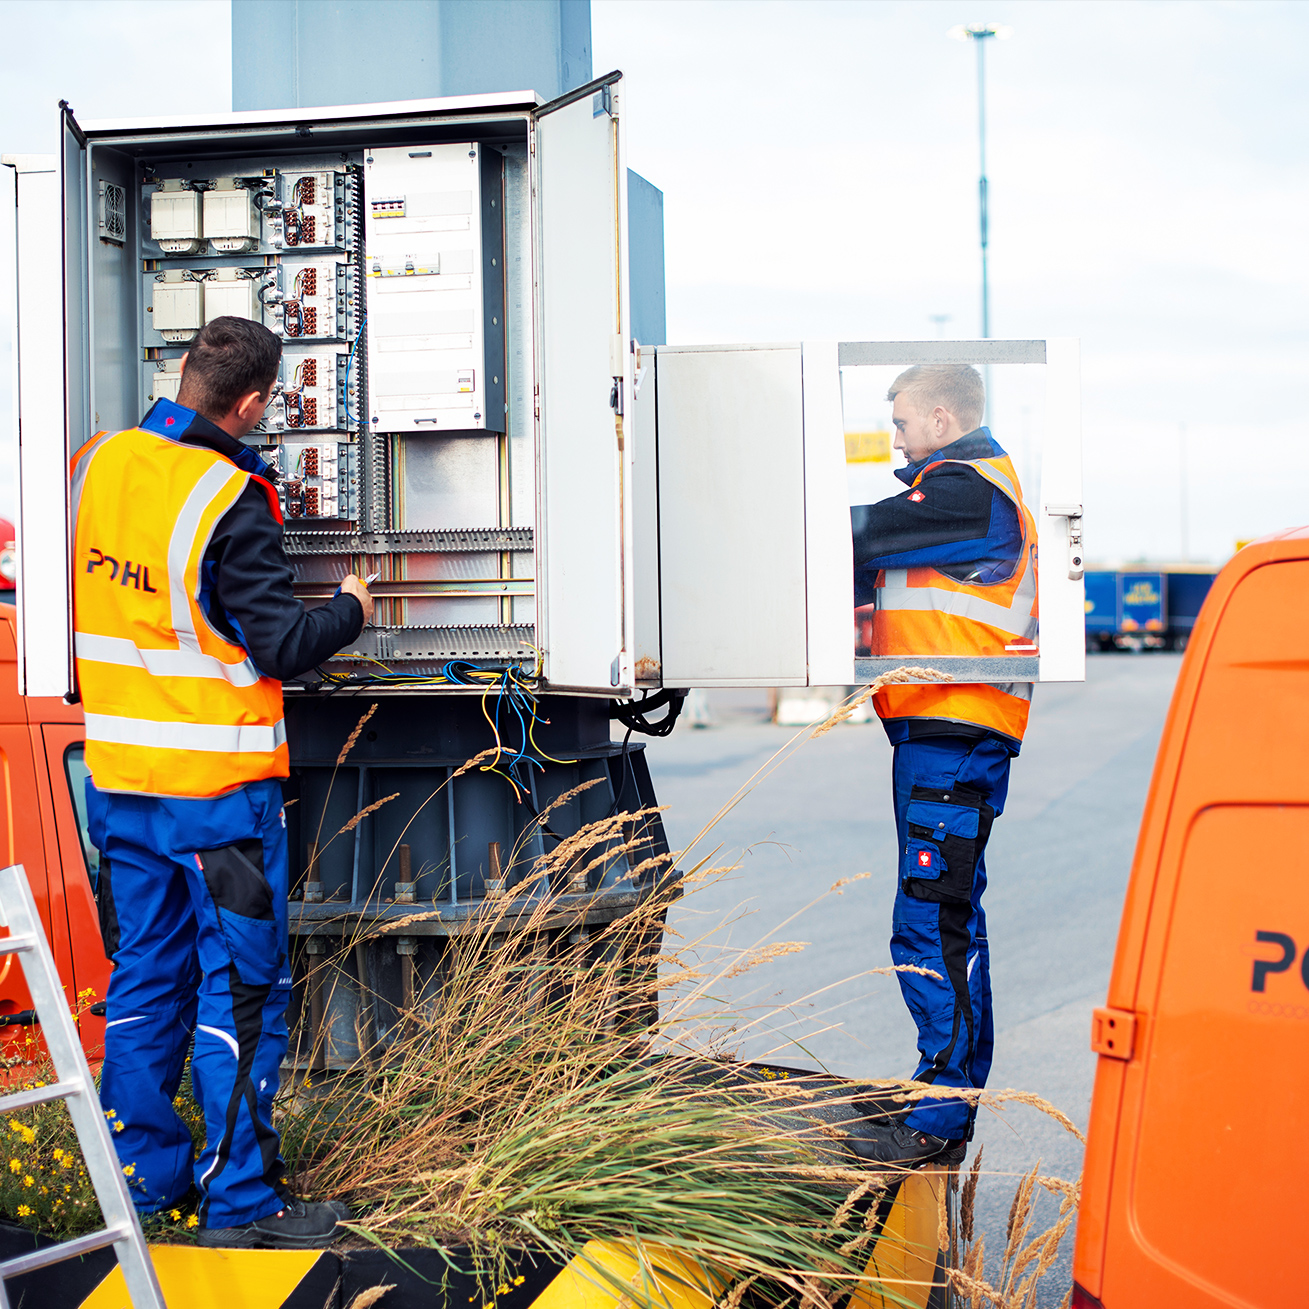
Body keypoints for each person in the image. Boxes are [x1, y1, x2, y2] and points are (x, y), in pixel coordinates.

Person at [71, 316, 373, 1247]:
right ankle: (240, 1202)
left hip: (122, 782)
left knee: (144, 980)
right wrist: (350, 609)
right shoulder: (230, 496)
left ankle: (143, 1187)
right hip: (217, 797)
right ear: (252, 402)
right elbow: (280, 645)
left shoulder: (100, 464)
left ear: (183, 374)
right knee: (240, 990)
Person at [848, 364, 1037, 1166]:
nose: (894, 438)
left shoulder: (966, 491)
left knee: (930, 920)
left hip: (955, 734)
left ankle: (938, 1114)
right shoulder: (957, 496)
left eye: (899, 423)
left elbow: (859, 534)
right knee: (948, 917)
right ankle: (941, 1091)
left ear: (938, 416)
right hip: (943, 733)